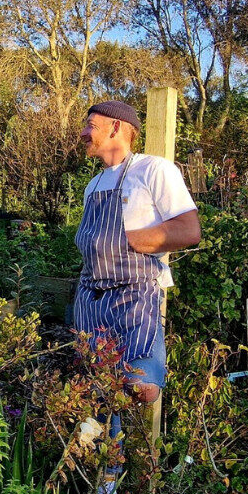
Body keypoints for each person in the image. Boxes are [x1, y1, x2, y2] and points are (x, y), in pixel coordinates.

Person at [73, 99, 201, 410]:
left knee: (142, 386)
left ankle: (141, 452)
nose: (83, 133)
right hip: (90, 301)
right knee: (98, 395)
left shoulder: (153, 169)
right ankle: (106, 457)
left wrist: (125, 241)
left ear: (116, 127)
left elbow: (189, 230)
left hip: (133, 299)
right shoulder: (93, 185)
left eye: (90, 125)